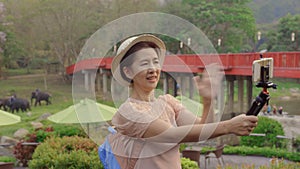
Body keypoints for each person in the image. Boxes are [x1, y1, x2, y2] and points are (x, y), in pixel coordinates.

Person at [106, 34, 258, 169]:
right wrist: (229, 126)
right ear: (128, 71)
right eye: (145, 63)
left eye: (155, 62)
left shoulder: (167, 102)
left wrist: (208, 100)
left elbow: (203, 130)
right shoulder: (128, 112)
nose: (153, 69)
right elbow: (172, 134)